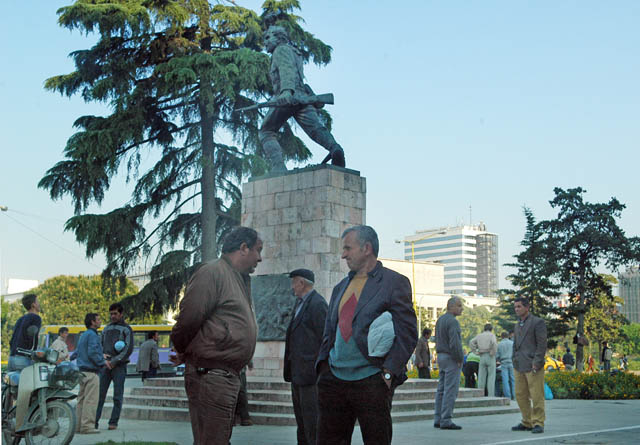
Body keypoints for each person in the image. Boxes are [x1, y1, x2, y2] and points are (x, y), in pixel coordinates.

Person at [316, 225, 417, 444]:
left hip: (371, 381)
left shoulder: (394, 283)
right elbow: (329, 331)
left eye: (348, 248)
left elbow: (407, 333)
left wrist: (388, 374)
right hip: (334, 380)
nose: (343, 255)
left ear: (367, 248)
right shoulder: (340, 287)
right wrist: (323, 367)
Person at [170, 226, 262, 445]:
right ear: (243, 248)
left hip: (223, 376)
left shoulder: (236, 278)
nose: (260, 258)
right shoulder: (213, 272)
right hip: (211, 376)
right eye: (258, 250)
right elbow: (190, 318)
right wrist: (182, 349)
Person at [259, 25, 345, 172]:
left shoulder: (281, 50)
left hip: (288, 97)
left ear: (279, 38)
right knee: (315, 129)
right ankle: (335, 148)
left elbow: (287, 70)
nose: (265, 42)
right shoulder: (294, 52)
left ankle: (278, 166)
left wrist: (286, 91)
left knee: (266, 131)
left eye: (268, 38)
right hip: (302, 96)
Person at [284, 268, 328, 445]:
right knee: (302, 425)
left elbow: (326, 340)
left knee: (312, 426)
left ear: (301, 283)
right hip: (297, 376)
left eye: (293, 283)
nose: (292, 287)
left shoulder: (318, 304)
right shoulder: (299, 304)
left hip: (311, 377)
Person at [511, 297, 547, 434]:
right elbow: (515, 344)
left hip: (533, 365)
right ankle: (527, 421)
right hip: (519, 364)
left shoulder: (538, 322)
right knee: (520, 394)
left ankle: (538, 422)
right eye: (515, 307)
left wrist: (537, 362)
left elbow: (542, 344)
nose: (516, 309)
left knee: (536, 395)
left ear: (527, 307)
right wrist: (513, 358)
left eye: (519, 307)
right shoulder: (517, 324)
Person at [95, 302, 133, 431]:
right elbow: (100, 345)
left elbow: (128, 349)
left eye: (115, 313)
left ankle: (113, 422)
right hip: (105, 367)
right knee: (100, 396)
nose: (112, 316)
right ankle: (94, 422)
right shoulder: (106, 328)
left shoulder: (127, 329)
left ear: (121, 314)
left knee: (117, 396)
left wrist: (114, 361)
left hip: (119, 367)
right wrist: (103, 357)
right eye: (111, 314)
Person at [434, 296, 465, 430]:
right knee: (450, 390)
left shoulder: (440, 320)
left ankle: (438, 418)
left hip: (441, 356)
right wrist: (459, 358)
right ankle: (446, 419)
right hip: (451, 357)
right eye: (459, 305)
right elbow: (455, 343)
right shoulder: (453, 322)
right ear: (451, 306)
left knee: (441, 389)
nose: (461, 308)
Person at [74, 313, 105, 434]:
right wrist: (102, 362)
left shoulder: (84, 335)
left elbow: (78, 352)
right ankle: (87, 427)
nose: (100, 321)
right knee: (91, 401)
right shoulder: (93, 335)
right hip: (92, 372)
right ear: (92, 322)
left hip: (82, 372)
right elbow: (92, 352)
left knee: (81, 401)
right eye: (98, 319)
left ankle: (78, 426)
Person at [8, 293, 42, 371]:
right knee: (29, 382)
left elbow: (12, 340)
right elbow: (34, 336)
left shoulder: (20, 319)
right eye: (37, 302)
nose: (39, 304)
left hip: (11, 358)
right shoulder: (36, 318)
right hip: (23, 359)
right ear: (33, 305)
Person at [470, 323, 498, 397]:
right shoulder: (492, 335)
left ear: (484, 328)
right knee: (491, 376)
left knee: (481, 377)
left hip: (482, 355)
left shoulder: (479, 335)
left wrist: (475, 351)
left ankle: (480, 394)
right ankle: (491, 395)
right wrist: (493, 352)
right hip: (490, 355)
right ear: (491, 329)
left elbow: (471, 342)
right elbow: (494, 343)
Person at [496, 331, 515, 400]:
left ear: (501, 337)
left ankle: (508, 397)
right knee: (513, 380)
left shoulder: (499, 344)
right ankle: (515, 396)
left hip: (503, 363)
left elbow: (497, 355)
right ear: (508, 336)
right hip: (511, 362)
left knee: (505, 380)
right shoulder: (512, 343)